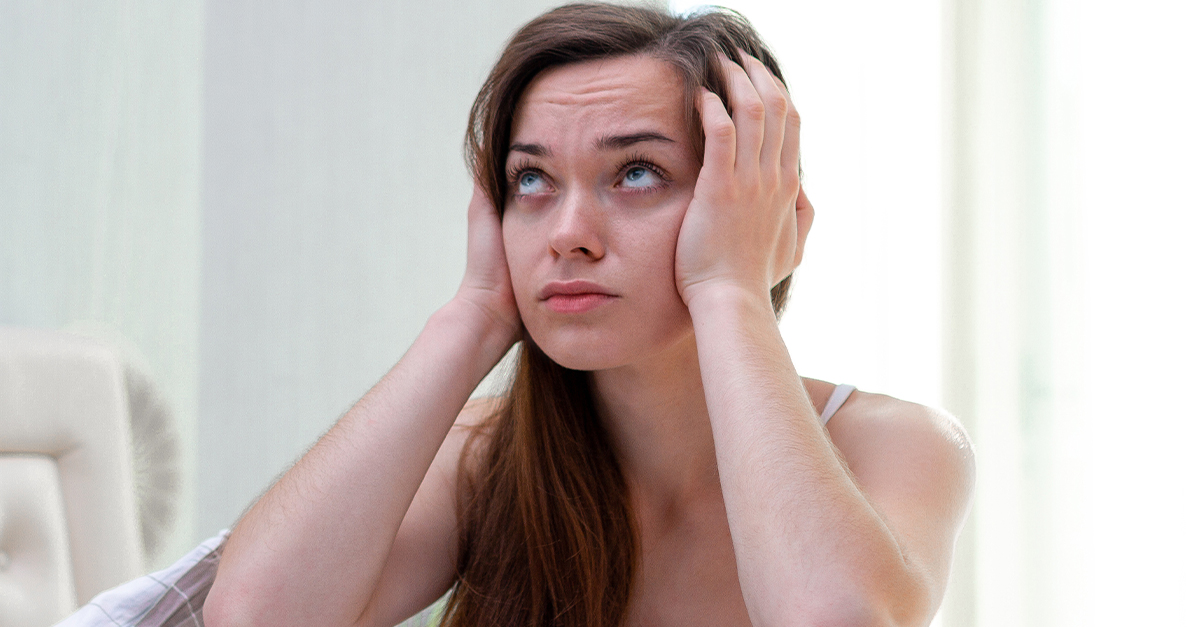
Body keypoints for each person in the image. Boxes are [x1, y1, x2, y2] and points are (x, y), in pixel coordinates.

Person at [203, 3, 975, 627]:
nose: (567, 233)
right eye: (531, 180)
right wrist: (473, 315)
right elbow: (254, 617)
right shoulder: (488, 459)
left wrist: (731, 292)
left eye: (636, 172)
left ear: (760, 206)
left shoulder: (893, 444)